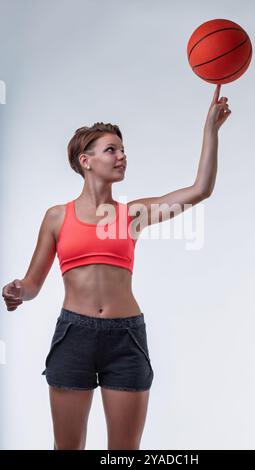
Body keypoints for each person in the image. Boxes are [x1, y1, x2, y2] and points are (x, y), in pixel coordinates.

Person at [2, 84, 231, 450]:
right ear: (86, 160)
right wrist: (17, 291)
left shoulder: (132, 215)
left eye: (123, 150)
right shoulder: (57, 217)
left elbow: (200, 189)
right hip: (73, 336)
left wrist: (210, 131)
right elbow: (33, 283)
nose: (122, 156)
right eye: (112, 150)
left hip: (125, 339)